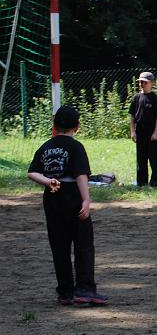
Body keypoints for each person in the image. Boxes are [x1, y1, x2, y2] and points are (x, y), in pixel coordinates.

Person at [27, 106, 108, 306]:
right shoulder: (76, 147)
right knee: (83, 244)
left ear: (54, 126)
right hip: (73, 195)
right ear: (77, 126)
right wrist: (86, 200)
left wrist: (48, 181)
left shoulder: (45, 146)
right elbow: (81, 175)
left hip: (52, 198)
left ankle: (65, 292)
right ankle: (84, 290)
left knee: (59, 246)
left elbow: (32, 173)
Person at [128, 71, 157, 186]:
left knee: (154, 158)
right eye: (140, 82)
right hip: (140, 131)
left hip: (152, 131)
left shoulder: (154, 98)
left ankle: (156, 181)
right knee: (141, 158)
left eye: (145, 82)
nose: (142, 84)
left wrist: (156, 132)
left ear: (152, 83)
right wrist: (133, 131)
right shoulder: (136, 97)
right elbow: (132, 116)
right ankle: (141, 182)